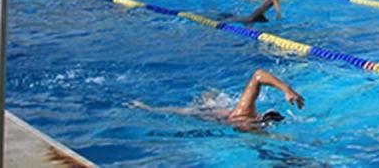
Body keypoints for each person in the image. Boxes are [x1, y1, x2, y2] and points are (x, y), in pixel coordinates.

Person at [129, 68, 304, 131]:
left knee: (209, 101)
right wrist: (287, 89)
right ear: (258, 118)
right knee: (187, 111)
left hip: (221, 114)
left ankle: (146, 107)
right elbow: (258, 75)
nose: (257, 128)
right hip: (212, 114)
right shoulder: (243, 112)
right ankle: (146, 107)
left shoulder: (248, 123)